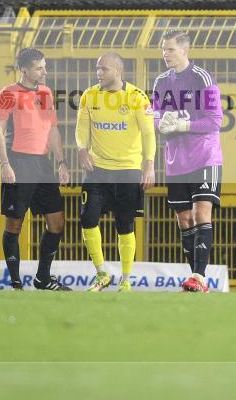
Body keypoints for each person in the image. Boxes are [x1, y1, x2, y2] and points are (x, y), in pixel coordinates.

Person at [0, 47, 71, 291]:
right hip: (18, 162)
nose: (44, 71)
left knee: (57, 222)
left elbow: (53, 129)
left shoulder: (46, 93)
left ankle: (43, 279)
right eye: (39, 67)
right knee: (15, 224)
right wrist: (5, 164)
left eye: (44, 66)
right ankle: (16, 283)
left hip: (42, 164)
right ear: (24, 69)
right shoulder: (8, 93)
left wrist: (61, 162)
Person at [76, 53, 156, 293]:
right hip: (97, 170)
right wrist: (81, 149)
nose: (98, 73)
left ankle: (126, 279)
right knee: (87, 218)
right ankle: (102, 274)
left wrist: (149, 165)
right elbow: (81, 128)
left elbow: (149, 133)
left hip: (128, 170)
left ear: (118, 71)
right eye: (97, 68)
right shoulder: (89, 96)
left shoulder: (137, 97)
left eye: (104, 69)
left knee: (125, 224)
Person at [152, 30, 223, 293]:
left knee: (201, 213)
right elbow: (155, 115)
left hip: (205, 157)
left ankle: (199, 276)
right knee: (184, 220)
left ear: (184, 51)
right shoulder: (161, 81)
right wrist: (161, 123)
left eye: (170, 49)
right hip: (176, 161)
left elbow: (215, 120)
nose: (165, 54)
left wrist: (183, 123)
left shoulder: (202, 78)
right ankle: (196, 280)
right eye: (163, 49)